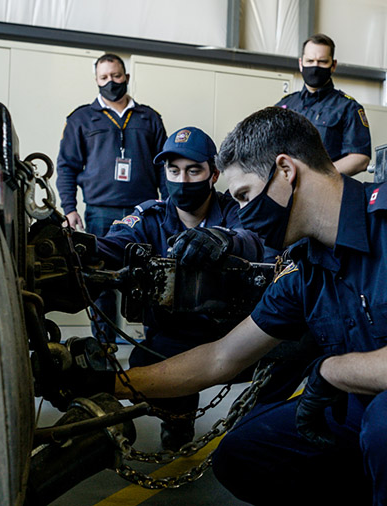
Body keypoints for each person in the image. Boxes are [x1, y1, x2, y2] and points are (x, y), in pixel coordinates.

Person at [73, 106, 387, 504]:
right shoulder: (306, 267)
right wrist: (110, 383)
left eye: (245, 195)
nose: (243, 214)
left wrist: (333, 371)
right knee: (246, 453)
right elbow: (221, 357)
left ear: (285, 171)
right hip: (382, 423)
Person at [96, 126, 264, 451]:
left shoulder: (234, 212)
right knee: (145, 362)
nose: (183, 180)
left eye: (193, 170)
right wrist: (80, 247)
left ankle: (262, 431)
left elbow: (255, 239)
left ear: (213, 174)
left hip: (232, 337)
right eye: (174, 171)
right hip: (172, 336)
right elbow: (114, 245)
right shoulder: (151, 216)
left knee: (275, 362)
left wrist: (223, 239)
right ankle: (177, 419)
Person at [56, 53, 167, 341]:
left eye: (116, 76)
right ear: (96, 80)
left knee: (148, 277)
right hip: (99, 212)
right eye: (104, 77)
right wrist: (69, 207)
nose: (110, 82)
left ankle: (152, 340)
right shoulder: (81, 118)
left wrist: (170, 207)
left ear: (126, 77)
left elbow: (164, 168)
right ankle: (104, 345)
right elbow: (66, 166)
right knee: (99, 279)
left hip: (144, 213)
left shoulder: (149, 118)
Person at [275, 33, 372, 177]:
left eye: (322, 62)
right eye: (310, 61)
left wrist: (316, 176)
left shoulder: (348, 107)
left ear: (333, 65)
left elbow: (360, 158)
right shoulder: (284, 105)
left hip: (325, 192)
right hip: (283, 189)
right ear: (301, 64)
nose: (315, 67)